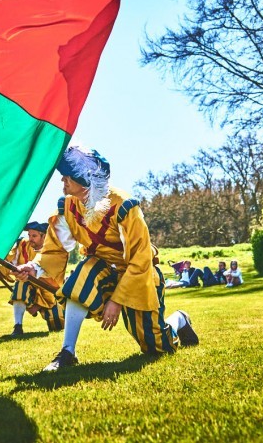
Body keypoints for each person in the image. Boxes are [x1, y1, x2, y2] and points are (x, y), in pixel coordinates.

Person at [16, 145, 199, 372]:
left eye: (67, 176)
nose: (62, 181)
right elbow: (55, 248)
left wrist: (117, 300)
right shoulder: (68, 206)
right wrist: (34, 267)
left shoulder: (124, 205)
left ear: (85, 178)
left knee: (156, 346)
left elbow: (141, 258)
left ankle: (179, 319)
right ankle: (67, 352)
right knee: (82, 276)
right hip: (101, 267)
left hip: (137, 273)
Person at [0, 221, 64, 335]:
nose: (30, 238)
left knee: (58, 325)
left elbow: (55, 280)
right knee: (20, 284)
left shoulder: (53, 250)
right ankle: (18, 326)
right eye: (29, 235)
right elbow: (10, 263)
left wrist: (37, 305)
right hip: (27, 286)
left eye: (34, 236)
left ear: (44, 236)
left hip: (48, 292)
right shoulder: (23, 245)